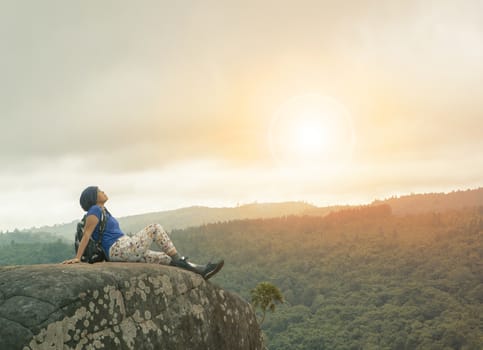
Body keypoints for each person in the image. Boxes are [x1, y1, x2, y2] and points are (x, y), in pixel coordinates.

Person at [62, 186, 224, 280]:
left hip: (124, 247)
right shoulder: (94, 210)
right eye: (99, 190)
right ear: (93, 197)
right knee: (154, 228)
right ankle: (182, 261)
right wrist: (78, 258)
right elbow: (87, 234)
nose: (103, 191)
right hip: (119, 249)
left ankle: (201, 271)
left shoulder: (103, 210)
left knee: (165, 258)